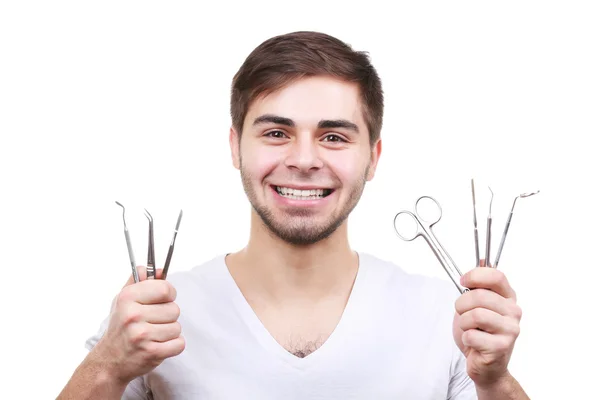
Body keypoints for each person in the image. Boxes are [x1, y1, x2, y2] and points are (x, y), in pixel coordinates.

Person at [59, 31, 530, 399]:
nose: (304, 160)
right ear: (234, 148)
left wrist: (494, 381)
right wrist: (107, 365)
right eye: (277, 133)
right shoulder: (151, 318)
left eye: (334, 137)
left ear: (374, 157)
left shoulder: (445, 317)